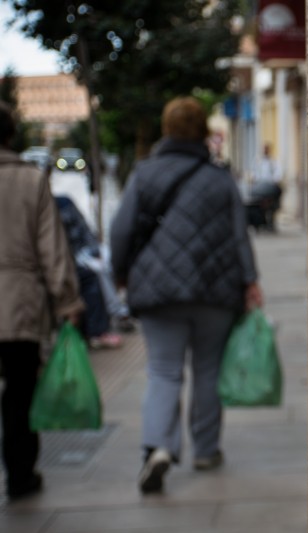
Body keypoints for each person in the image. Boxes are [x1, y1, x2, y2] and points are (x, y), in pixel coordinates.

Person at [110, 96, 262, 494]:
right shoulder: (219, 178)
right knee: (207, 371)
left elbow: (121, 231)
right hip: (216, 290)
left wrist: (121, 274)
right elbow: (238, 235)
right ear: (201, 133)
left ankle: (158, 448)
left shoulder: (144, 174)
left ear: (166, 129)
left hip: (159, 290)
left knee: (163, 370)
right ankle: (206, 450)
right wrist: (250, 280)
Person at [0, 102, 85, 500]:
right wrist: (67, 301)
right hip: (20, 303)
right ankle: (20, 474)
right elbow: (51, 248)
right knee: (19, 391)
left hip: (20, 296)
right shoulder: (30, 180)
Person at [55, 195, 128, 349]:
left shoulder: (63, 202)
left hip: (74, 257)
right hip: (56, 263)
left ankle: (108, 321)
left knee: (98, 269)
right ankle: (100, 328)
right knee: (90, 277)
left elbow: (84, 232)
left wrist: (94, 251)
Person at [245, 142, 283, 231]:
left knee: (275, 200)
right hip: (259, 188)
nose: (265, 150)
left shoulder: (273, 161)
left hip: (270, 188)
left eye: (266, 149)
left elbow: (278, 174)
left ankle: (271, 218)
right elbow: (253, 173)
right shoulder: (257, 161)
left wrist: (273, 182)